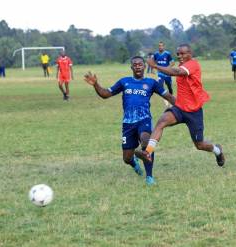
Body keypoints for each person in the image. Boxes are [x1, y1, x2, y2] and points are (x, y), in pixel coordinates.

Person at [135, 44, 225, 178]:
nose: (180, 56)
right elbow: (175, 71)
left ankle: (218, 151)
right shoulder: (182, 65)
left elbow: (176, 72)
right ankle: (148, 152)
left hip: (194, 112)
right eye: (178, 54)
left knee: (199, 145)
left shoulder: (193, 64)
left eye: (183, 54)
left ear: (190, 53)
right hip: (180, 108)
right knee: (161, 122)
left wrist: (154, 66)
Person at [84, 56, 176, 186]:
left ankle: (149, 177)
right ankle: (133, 161)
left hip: (144, 120)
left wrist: (183, 107)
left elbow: (168, 96)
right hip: (128, 123)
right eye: (135, 64)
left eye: (140, 64)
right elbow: (105, 94)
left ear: (144, 66)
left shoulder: (151, 83)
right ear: (131, 67)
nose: (138, 66)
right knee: (126, 158)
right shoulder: (124, 82)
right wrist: (96, 85)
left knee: (146, 141)